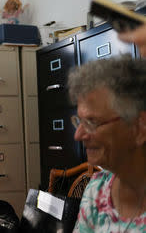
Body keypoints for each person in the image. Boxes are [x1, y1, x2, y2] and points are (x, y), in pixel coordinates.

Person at [67, 55, 146, 232]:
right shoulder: (97, 190)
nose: (78, 135)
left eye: (92, 122)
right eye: (79, 121)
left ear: (140, 127)